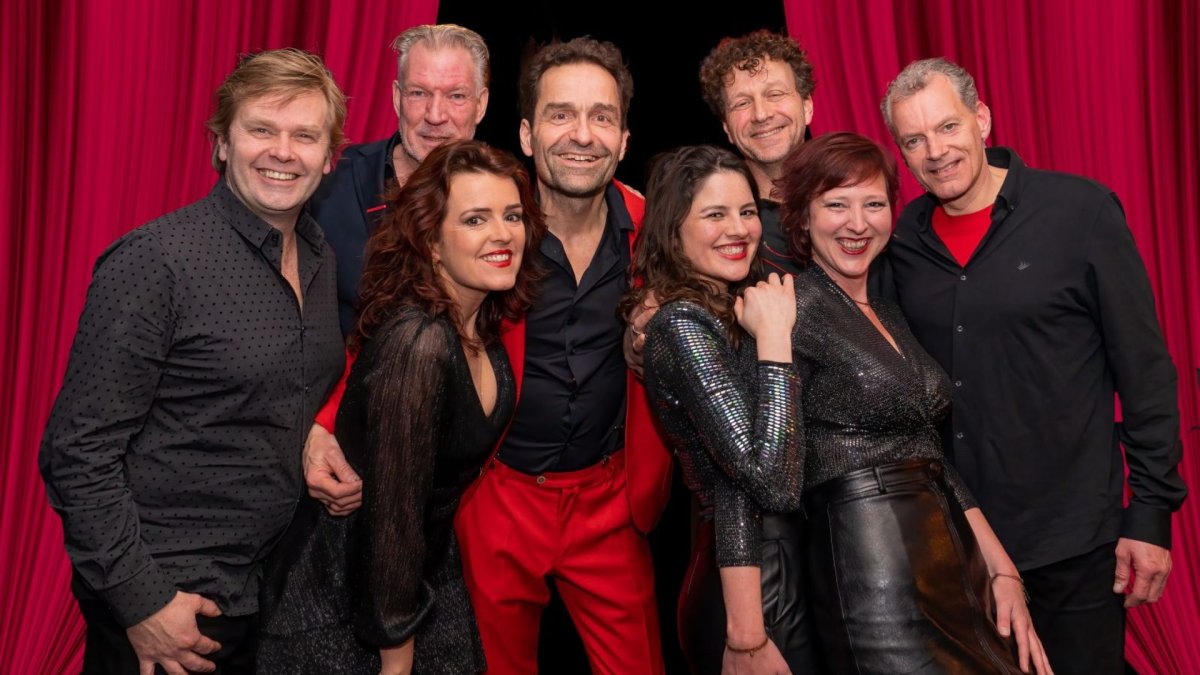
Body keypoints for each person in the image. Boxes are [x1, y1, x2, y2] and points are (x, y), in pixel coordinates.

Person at [304, 37, 673, 674]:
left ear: (623, 139)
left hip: (610, 499)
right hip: (499, 495)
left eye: (601, 117)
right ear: (527, 134)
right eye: (560, 114)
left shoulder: (651, 227)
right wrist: (326, 421)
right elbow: (395, 322)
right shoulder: (494, 221)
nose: (582, 134)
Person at [39, 48, 347, 674]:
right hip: (173, 608)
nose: (283, 152)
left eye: (304, 135)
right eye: (261, 129)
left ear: (329, 156)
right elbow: (76, 452)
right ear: (222, 143)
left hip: (266, 593)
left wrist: (314, 432)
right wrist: (143, 603)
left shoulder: (319, 255)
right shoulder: (158, 261)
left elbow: (273, 388)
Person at [879, 57, 1187, 674]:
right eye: (914, 140)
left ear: (982, 119)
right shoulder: (901, 240)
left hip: (1074, 539)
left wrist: (1150, 515)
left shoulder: (1080, 213)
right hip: (961, 546)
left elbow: (1146, 373)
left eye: (947, 127)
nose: (935, 152)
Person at [257, 140, 544, 674]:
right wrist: (397, 663)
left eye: (512, 215)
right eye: (476, 219)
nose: (503, 234)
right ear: (432, 241)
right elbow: (392, 520)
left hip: (422, 581)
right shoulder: (419, 344)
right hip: (349, 608)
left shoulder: (479, 322)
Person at [776, 132, 1050, 674]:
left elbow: (929, 450)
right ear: (804, 217)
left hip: (946, 556)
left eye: (874, 204)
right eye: (837, 205)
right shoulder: (789, 310)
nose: (858, 223)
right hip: (873, 575)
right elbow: (772, 472)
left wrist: (1002, 571)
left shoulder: (887, 311)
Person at [626, 145, 821, 674]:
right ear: (673, 232)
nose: (738, 229)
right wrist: (776, 341)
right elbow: (769, 482)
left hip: (776, 567)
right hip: (749, 590)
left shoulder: (730, 309)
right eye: (715, 214)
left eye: (747, 211)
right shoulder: (681, 325)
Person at [312, 23, 490, 335]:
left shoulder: (505, 198)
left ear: (481, 104)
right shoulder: (332, 184)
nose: (435, 115)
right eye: (419, 93)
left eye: (456, 96)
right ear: (397, 97)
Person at [698, 30, 816, 276]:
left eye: (775, 94)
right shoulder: (709, 227)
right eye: (742, 103)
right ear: (727, 128)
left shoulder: (853, 197)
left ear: (807, 107)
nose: (761, 114)